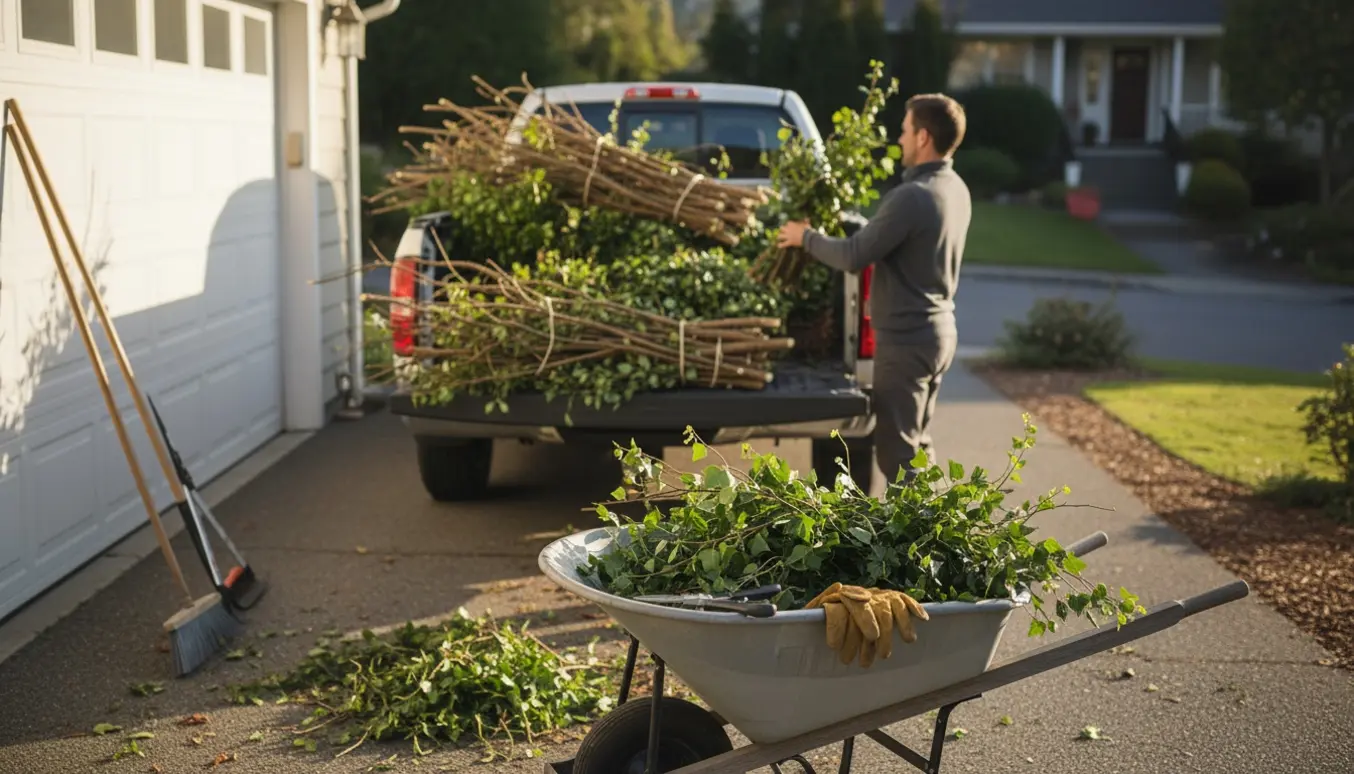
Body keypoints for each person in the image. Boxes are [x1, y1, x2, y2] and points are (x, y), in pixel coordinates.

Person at [776, 93, 971, 486]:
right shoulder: (956, 188)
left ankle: (913, 545)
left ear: (923, 137)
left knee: (898, 458)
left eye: (904, 130)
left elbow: (852, 255)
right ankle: (935, 534)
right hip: (938, 335)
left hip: (906, 342)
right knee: (917, 447)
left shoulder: (912, 198)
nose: (898, 139)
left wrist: (805, 237)